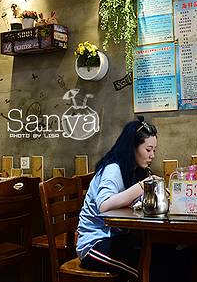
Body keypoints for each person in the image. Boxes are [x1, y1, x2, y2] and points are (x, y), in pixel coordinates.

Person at [77, 116, 158, 280]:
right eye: (148, 150)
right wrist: (141, 186)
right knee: (148, 268)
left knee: (164, 255)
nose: (152, 156)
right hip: (94, 244)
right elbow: (104, 205)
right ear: (132, 147)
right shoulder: (113, 169)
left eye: (154, 151)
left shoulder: (134, 170)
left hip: (118, 238)